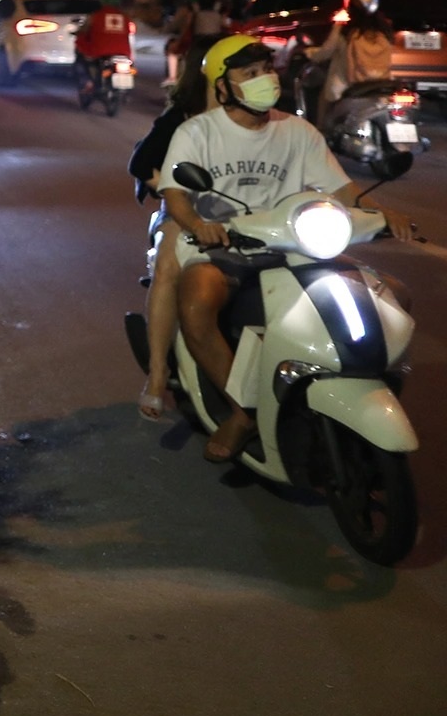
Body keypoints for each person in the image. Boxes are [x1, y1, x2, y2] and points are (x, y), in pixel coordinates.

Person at [161, 36, 417, 462]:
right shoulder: (198, 132)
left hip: (296, 245)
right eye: (250, 74)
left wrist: (382, 213)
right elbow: (175, 195)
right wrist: (199, 227)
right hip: (228, 247)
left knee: (393, 294)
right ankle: (241, 411)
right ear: (223, 87)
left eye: (267, 69)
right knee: (196, 298)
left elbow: (344, 189)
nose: (265, 79)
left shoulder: (297, 131)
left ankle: (365, 379)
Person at [126, 73, 208, 421]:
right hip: (187, 212)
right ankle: (158, 374)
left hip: (255, 216)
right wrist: (173, 194)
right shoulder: (184, 119)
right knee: (170, 265)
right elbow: (142, 162)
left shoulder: (275, 120)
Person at [306, 0, 398, 121]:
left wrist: (309, 53)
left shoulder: (345, 31)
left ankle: (323, 136)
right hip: (381, 88)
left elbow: (326, 51)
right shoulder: (384, 33)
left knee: (324, 108)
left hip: (348, 89)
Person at [73, 0, 133, 93]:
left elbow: (84, 30)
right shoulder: (124, 16)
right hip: (123, 52)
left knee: (82, 58)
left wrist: (79, 34)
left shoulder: (95, 16)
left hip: (99, 51)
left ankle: (88, 82)